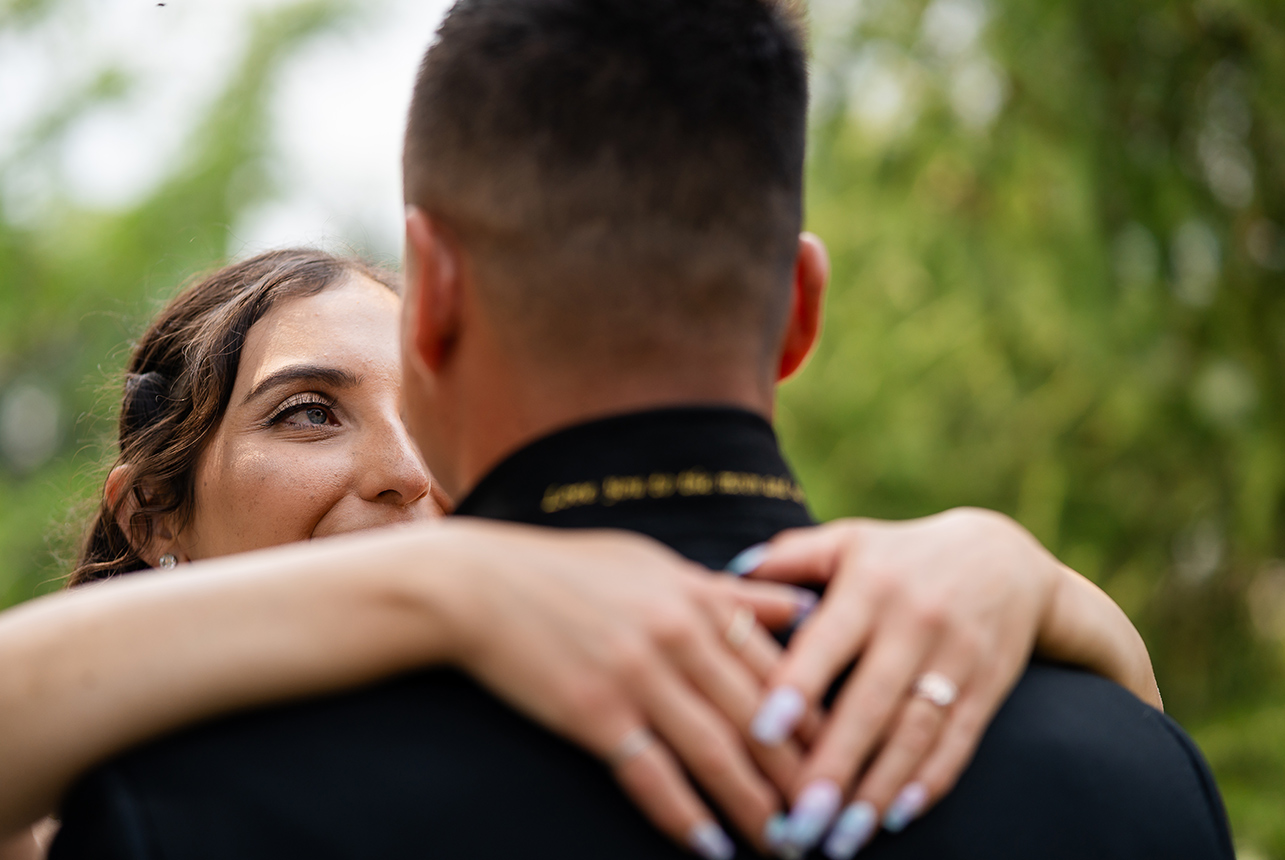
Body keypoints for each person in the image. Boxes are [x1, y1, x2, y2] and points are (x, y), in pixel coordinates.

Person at [45, 1, 1233, 858]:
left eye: (398, 393)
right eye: (309, 411)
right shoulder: (1125, 770)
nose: (403, 474)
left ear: (441, 305)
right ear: (798, 304)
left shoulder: (180, 806)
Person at [0, 249, 1158, 859]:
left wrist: (1014, 563)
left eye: (426, 405)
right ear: (152, 518)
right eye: (309, 410)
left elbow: (1140, 753)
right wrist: (444, 580)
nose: (407, 466)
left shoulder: (617, 704)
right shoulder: (94, 811)